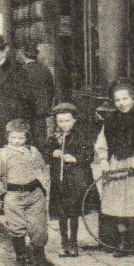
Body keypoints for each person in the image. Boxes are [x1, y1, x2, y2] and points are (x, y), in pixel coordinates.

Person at [92, 80, 134, 257]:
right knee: (117, 204)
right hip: (117, 164)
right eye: (117, 100)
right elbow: (102, 143)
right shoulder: (110, 121)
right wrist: (103, 160)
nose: (122, 103)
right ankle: (123, 241)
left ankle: (131, 240)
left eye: (125, 99)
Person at [0, 118, 50, 266]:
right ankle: (20, 257)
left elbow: (42, 169)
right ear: (7, 137)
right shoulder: (2, 155)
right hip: (14, 196)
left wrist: (43, 188)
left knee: (38, 228)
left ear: (26, 138)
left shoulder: (33, 152)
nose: (17, 141)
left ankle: (40, 258)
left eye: (21, 137)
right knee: (16, 227)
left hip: (34, 195)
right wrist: (3, 195)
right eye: (13, 137)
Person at [0, 34, 52, 160]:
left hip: (9, 129)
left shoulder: (16, 71)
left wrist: (17, 127)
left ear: (4, 52)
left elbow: (26, 101)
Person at [48, 102, 93, 257]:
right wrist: (53, 153)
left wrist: (75, 158)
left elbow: (89, 154)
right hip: (59, 182)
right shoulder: (54, 137)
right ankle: (64, 243)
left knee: (73, 213)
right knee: (62, 214)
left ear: (74, 120)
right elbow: (45, 152)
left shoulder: (81, 137)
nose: (64, 124)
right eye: (60, 121)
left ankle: (73, 243)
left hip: (75, 180)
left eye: (67, 121)